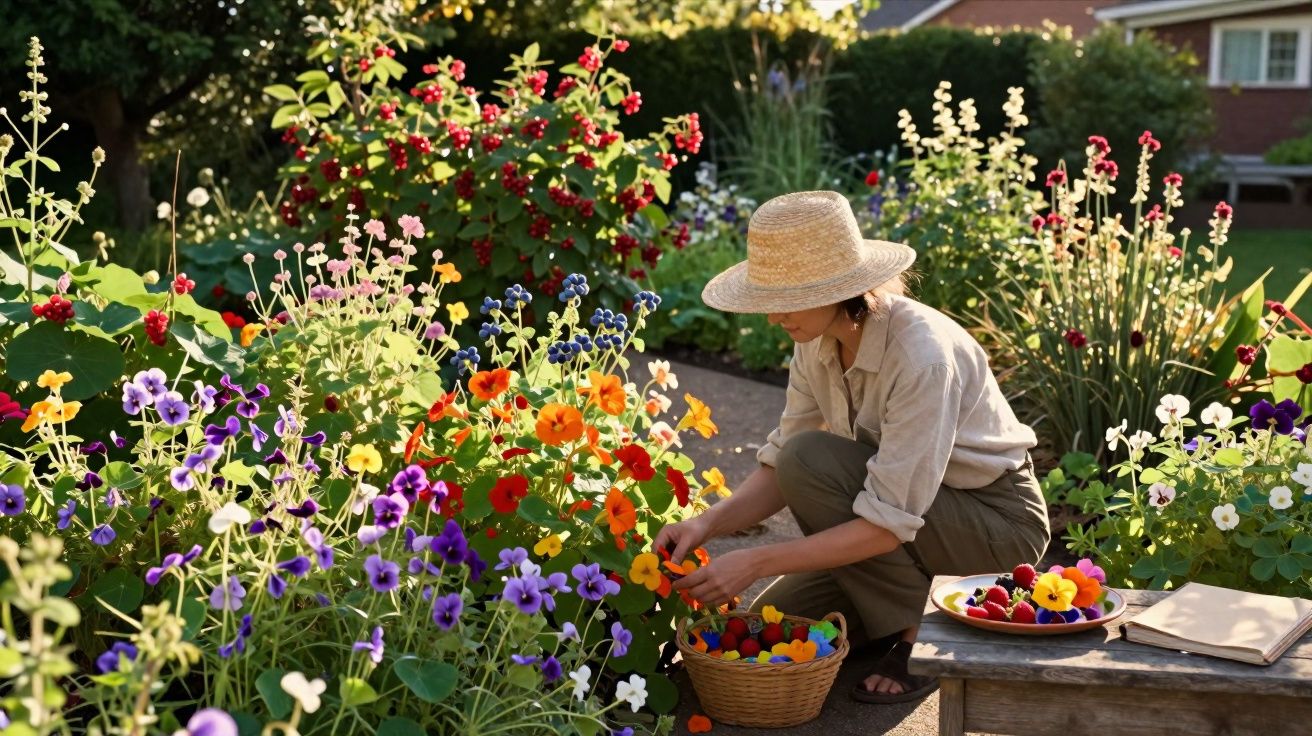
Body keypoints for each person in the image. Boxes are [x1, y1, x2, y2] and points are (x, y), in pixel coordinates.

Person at [654, 190, 1050, 704]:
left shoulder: (922, 356)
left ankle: (919, 633)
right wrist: (704, 524)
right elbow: (778, 463)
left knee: (811, 462)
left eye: (785, 299)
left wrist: (753, 561)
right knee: (781, 625)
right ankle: (912, 603)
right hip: (910, 522)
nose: (774, 318)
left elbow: (886, 519)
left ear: (839, 288)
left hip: (992, 527)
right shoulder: (814, 341)